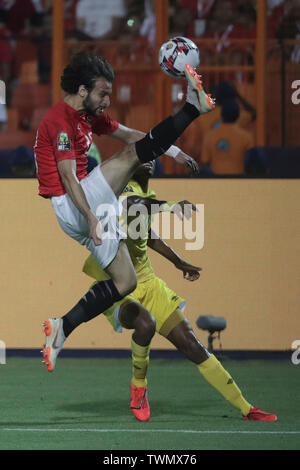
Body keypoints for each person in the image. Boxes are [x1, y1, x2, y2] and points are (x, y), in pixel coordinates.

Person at [48, 160, 277, 423]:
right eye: (142, 154)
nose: (149, 159)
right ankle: (139, 388)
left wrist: (178, 261)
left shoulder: (147, 195)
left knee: (192, 345)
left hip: (149, 283)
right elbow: (134, 206)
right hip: (118, 286)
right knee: (145, 324)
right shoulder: (122, 189)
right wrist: (171, 206)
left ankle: (247, 408)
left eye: (152, 155)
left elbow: (147, 233)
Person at [37, 52, 215, 371]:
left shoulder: (87, 115)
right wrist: (91, 217)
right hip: (73, 201)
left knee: (126, 282)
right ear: (82, 91)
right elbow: (66, 176)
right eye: (102, 93)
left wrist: (173, 151)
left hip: (88, 203)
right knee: (131, 156)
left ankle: (61, 327)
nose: (107, 100)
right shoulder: (58, 121)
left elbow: (134, 135)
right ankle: (192, 108)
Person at [201, 99, 254, 176]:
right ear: (238, 115)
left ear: (221, 115)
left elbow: (205, 162)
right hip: (239, 181)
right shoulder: (246, 137)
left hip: (215, 181)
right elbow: (250, 163)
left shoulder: (209, 136)